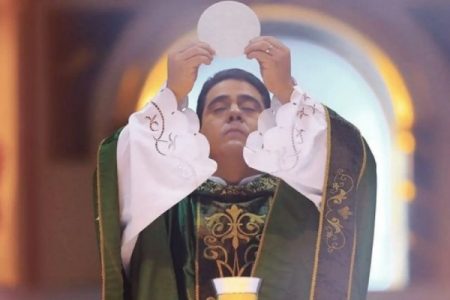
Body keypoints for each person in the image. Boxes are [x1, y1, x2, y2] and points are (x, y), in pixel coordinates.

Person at [94, 36, 377, 300]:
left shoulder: (303, 199)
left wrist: (287, 90)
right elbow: (121, 160)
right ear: (195, 130)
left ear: (274, 126)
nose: (234, 112)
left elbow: (347, 156)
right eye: (218, 107)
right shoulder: (163, 208)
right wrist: (172, 94)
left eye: (249, 106)